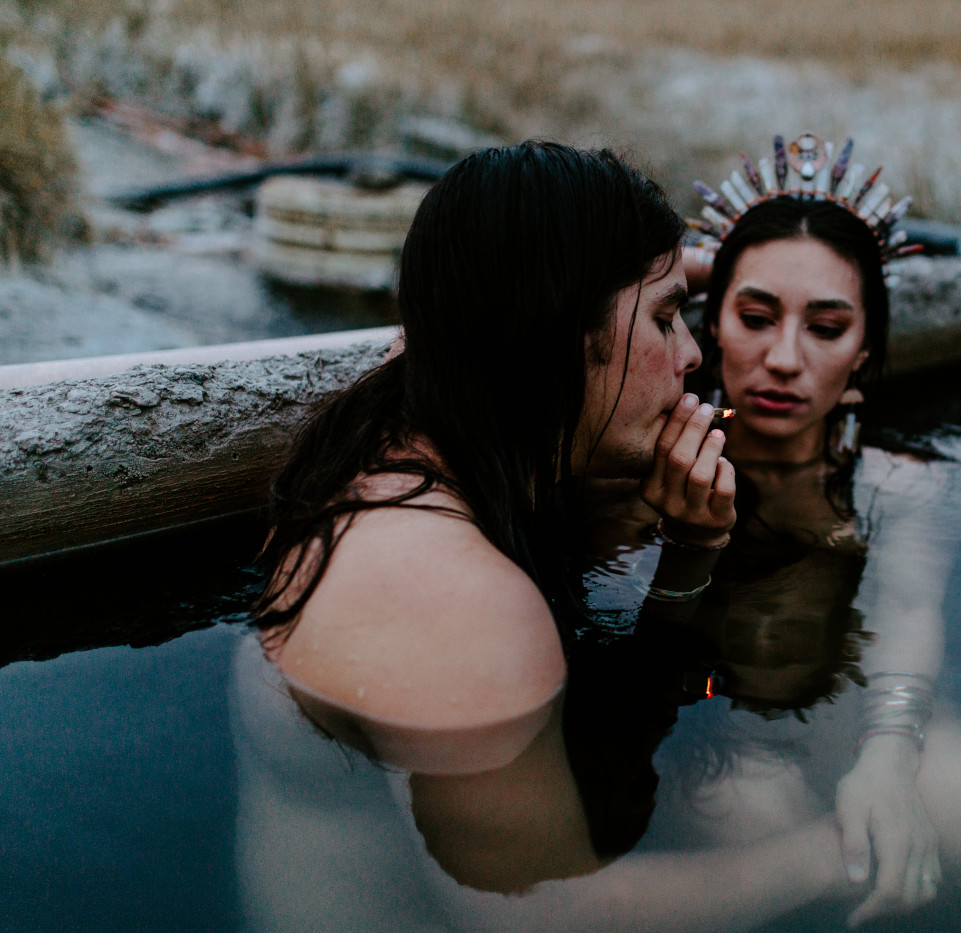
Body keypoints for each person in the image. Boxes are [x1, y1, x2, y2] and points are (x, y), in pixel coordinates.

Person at [235, 141, 858, 932]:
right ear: (558, 332)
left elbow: (512, 263)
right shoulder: (460, 602)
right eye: (668, 316)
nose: (695, 353)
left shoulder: (406, 409)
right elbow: (542, 916)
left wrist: (689, 555)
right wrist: (835, 854)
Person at [579, 133, 961, 926]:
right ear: (709, 326)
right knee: (761, 815)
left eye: (826, 326)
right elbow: (613, 642)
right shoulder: (649, 465)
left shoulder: (898, 482)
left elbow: (911, 612)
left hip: (850, 697)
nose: (783, 357)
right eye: (755, 314)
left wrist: (887, 755)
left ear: (864, 350)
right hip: (709, 712)